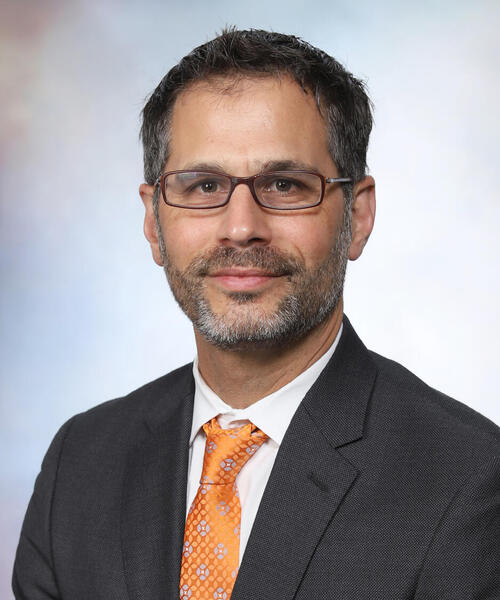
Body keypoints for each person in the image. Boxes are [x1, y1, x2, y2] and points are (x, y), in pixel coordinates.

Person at [13, 28, 499, 600]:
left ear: (358, 216)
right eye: (204, 186)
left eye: (285, 184)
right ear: (153, 222)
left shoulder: (468, 481)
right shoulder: (80, 464)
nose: (242, 227)